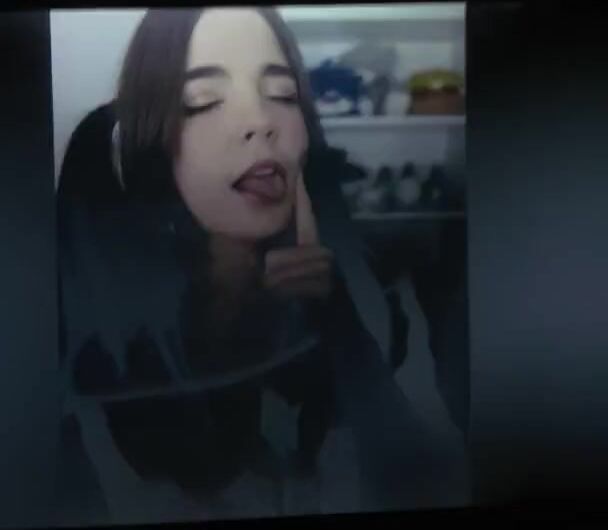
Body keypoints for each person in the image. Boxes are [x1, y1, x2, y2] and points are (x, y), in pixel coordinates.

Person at [56, 7, 466, 525]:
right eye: (203, 101)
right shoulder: (99, 349)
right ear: (153, 142)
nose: (260, 122)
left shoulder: (355, 279)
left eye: (282, 95)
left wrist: (337, 318)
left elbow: (414, 468)